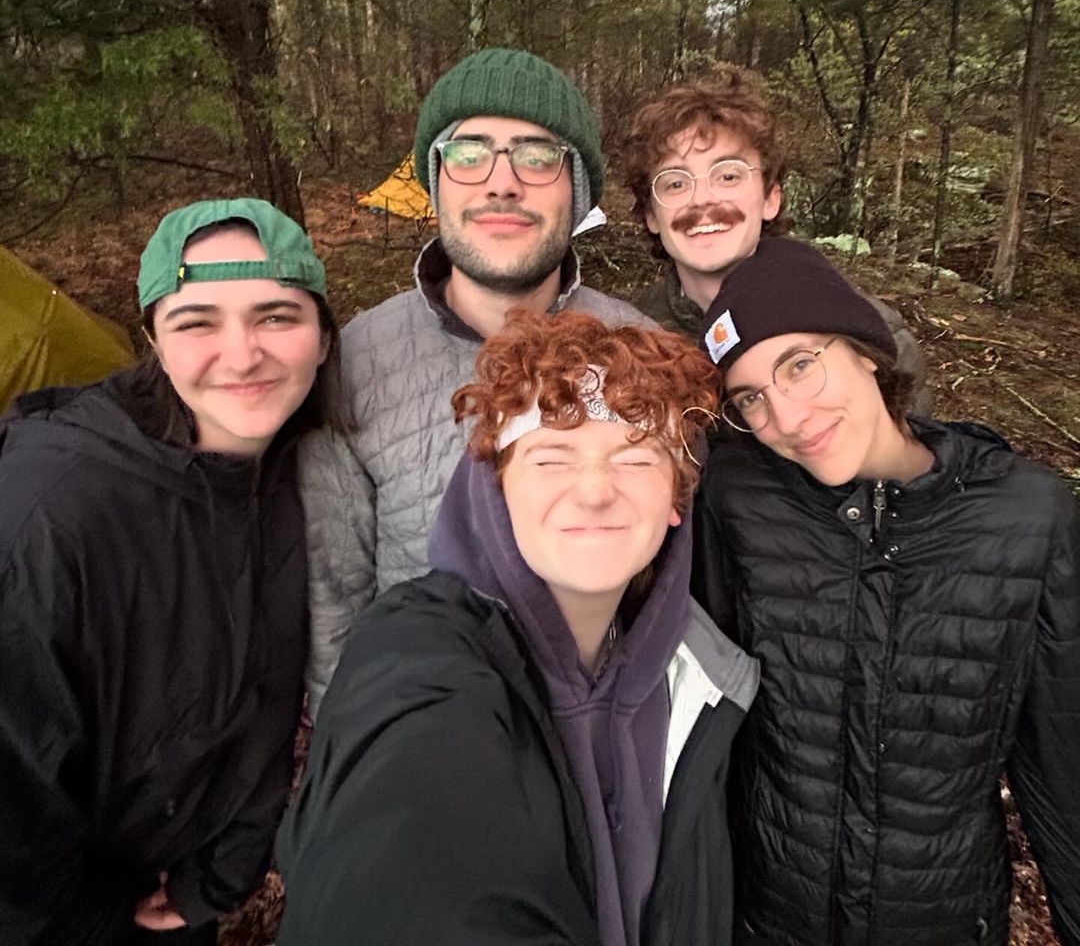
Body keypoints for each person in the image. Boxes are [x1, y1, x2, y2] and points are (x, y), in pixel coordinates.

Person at [278, 311, 758, 946]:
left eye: (636, 458)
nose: (594, 491)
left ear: (677, 496)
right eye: (552, 457)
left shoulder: (703, 677)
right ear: (498, 485)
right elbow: (409, 847)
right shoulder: (420, 655)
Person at [690, 236, 1080, 946]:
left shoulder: (1025, 516)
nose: (788, 418)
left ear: (866, 351)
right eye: (752, 399)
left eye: (800, 365)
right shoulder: (738, 499)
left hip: (945, 919)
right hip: (770, 919)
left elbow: (1063, 756)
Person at [0, 198, 347, 945]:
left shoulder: (287, 475)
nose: (243, 354)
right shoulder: (49, 513)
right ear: (154, 342)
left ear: (323, 338)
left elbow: (264, 690)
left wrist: (223, 872)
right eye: (197, 323)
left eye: (276, 316)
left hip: (171, 895)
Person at [301, 46, 649, 714]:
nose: (502, 183)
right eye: (468, 154)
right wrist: (348, 743)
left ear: (577, 192)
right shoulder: (355, 362)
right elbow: (335, 600)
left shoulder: (641, 352)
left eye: (537, 156)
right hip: (419, 734)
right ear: (436, 184)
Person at [623, 67, 931, 413]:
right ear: (651, 215)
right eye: (676, 183)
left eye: (728, 176)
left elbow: (904, 445)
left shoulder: (869, 333)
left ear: (771, 198)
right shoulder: (626, 339)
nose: (703, 200)